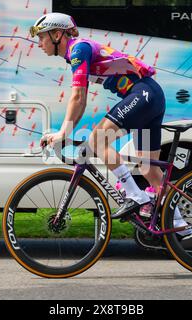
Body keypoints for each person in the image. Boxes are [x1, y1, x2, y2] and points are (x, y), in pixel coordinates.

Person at [32, 13, 166, 219]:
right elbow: (80, 99)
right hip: (151, 96)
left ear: (57, 34)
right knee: (150, 171)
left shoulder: (78, 50)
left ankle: (135, 195)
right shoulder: (76, 52)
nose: (39, 43)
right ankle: (180, 226)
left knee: (98, 139)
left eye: (42, 37)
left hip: (144, 94)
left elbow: (78, 97)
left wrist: (63, 133)